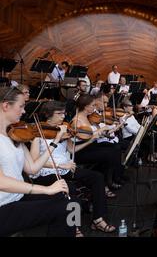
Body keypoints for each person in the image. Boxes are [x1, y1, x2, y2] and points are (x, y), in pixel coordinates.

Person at [30, 101, 116, 233]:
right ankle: (73, 228)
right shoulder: (38, 133)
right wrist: (60, 164)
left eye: (64, 113)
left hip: (66, 168)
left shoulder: (63, 129)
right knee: (70, 189)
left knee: (97, 177)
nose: (63, 117)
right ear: (48, 115)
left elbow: (71, 149)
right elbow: (34, 160)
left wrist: (92, 139)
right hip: (46, 172)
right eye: (59, 114)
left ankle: (98, 219)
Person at [0, 87, 75, 237]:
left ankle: (74, 229)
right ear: (6, 105)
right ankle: (71, 229)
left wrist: (55, 141)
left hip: (17, 197)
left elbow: (32, 168)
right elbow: (2, 182)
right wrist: (46, 189)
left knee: (73, 203)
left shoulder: (15, 134)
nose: (24, 112)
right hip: (3, 205)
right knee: (65, 208)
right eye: (21, 106)